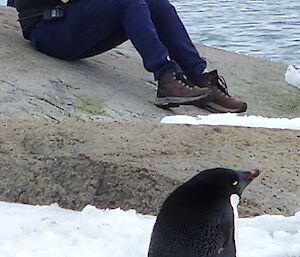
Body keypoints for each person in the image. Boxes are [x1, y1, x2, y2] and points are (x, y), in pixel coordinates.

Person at [10, 0, 247, 113]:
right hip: (48, 27)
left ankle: (200, 77)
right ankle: (166, 78)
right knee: (129, 2)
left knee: (157, 4)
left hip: (73, 20)